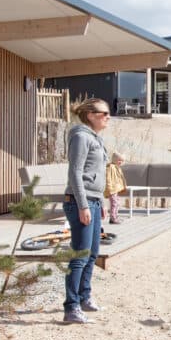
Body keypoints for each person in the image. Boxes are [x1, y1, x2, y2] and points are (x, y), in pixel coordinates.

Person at [61, 98, 110, 325]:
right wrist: (82, 205)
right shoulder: (80, 137)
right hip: (81, 201)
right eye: (104, 113)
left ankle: (84, 297)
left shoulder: (95, 138)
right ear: (90, 114)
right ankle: (71, 307)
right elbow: (75, 173)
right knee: (79, 256)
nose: (108, 117)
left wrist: (100, 204)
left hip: (93, 201)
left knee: (91, 254)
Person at [104, 151, 128, 225]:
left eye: (122, 160)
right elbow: (108, 178)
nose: (120, 162)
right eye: (119, 160)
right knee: (114, 203)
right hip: (112, 189)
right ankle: (113, 218)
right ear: (115, 160)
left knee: (117, 203)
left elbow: (120, 178)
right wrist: (109, 188)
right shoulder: (110, 167)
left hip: (116, 189)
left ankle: (115, 216)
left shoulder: (117, 167)